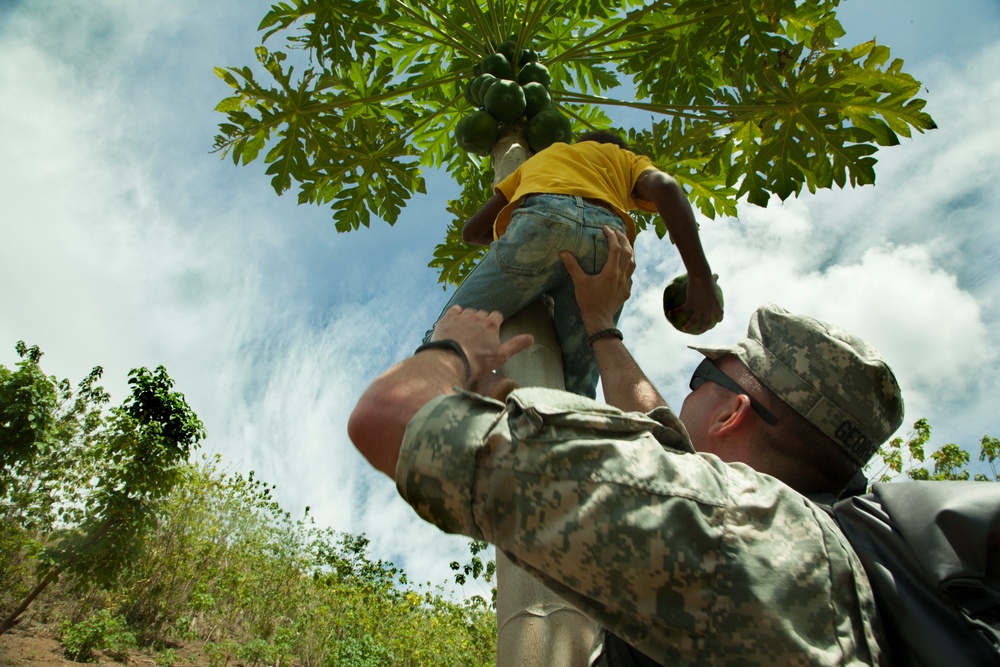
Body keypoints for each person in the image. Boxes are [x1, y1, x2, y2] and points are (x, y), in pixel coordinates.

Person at [350, 226, 903, 666]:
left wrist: (454, 348)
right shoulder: (828, 551)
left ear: (734, 412)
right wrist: (600, 325)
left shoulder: (719, 525)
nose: (686, 390)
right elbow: (665, 445)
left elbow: (390, 416)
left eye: (702, 377)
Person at [423, 131, 723, 399]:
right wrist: (700, 276)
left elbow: (471, 232)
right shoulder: (623, 158)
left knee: (442, 338)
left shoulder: (542, 158)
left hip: (540, 217)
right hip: (606, 243)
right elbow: (665, 186)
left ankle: (476, 389)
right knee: (578, 390)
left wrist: (525, 241)